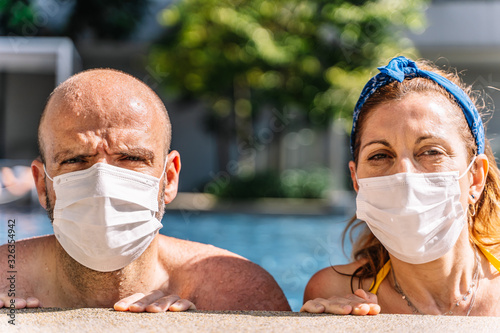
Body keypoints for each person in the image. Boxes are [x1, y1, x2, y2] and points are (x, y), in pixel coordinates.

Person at [0, 68, 290, 312]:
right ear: (41, 183)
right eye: (75, 159)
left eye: (132, 158)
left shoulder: (239, 293)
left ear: (170, 177)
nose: (102, 183)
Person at [301, 56, 500, 316]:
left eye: (431, 152)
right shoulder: (331, 291)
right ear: (356, 181)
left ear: (475, 177)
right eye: (380, 156)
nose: (404, 174)